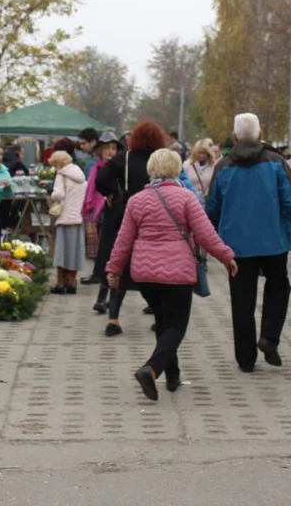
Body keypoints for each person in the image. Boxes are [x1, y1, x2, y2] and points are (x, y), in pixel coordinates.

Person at [107, 149, 238, 401]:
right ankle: (151, 368)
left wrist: (114, 269)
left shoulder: (136, 200)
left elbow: (123, 241)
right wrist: (226, 256)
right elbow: (205, 234)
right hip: (177, 273)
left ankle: (173, 374)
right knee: (176, 325)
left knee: (164, 322)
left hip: (144, 274)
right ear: (177, 169)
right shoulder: (186, 198)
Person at [207, 113, 291, 373]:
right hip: (273, 242)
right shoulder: (276, 162)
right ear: (261, 135)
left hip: (235, 246)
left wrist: (209, 242)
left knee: (242, 300)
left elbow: (213, 208)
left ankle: (246, 359)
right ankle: (269, 336)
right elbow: (290, 201)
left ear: (234, 137)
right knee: (279, 287)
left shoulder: (223, 166)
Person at [96, 120, 169, 337]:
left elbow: (101, 179)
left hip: (127, 213)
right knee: (155, 267)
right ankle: (159, 318)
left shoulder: (124, 158)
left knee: (121, 264)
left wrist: (112, 194)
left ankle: (113, 319)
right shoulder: (162, 159)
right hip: (157, 215)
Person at [81, 131, 120, 298]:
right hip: (101, 211)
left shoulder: (119, 167)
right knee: (103, 247)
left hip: (115, 211)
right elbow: (92, 187)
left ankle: (107, 285)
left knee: (111, 249)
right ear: (101, 151)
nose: (111, 151)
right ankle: (102, 281)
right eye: (107, 148)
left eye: (113, 148)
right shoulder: (96, 167)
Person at [48, 150, 86, 294]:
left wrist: (52, 195)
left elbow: (58, 194)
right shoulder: (80, 175)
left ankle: (60, 283)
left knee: (62, 251)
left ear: (59, 163)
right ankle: (72, 282)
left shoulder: (61, 175)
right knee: (75, 251)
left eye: (55, 164)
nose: (55, 168)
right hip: (77, 218)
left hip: (64, 218)